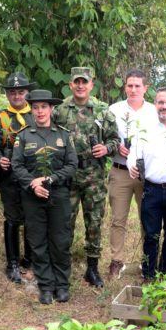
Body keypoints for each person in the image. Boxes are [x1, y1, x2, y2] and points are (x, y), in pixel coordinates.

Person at [53, 67, 119, 287]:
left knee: (94, 222)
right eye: (76, 82)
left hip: (93, 175)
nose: (80, 86)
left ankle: (92, 268)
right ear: (70, 85)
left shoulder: (102, 111)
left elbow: (116, 140)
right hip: (68, 175)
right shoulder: (60, 110)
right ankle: (63, 267)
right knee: (64, 222)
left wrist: (106, 148)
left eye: (85, 82)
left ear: (92, 85)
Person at [12, 89, 78, 304]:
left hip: (57, 193)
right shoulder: (23, 135)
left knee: (60, 240)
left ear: (51, 109)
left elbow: (71, 165)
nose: (40, 111)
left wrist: (51, 179)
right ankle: (46, 286)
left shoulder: (63, 135)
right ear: (32, 109)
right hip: (32, 196)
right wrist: (33, 184)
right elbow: (17, 165)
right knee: (38, 241)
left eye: (44, 107)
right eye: (36, 107)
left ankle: (62, 285)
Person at [127, 87, 166, 281]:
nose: (164, 106)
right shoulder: (145, 127)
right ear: (155, 105)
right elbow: (133, 153)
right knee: (151, 235)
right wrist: (131, 166)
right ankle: (148, 274)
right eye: (160, 102)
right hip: (152, 189)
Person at [106, 69, 157, 279]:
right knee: (118, 219)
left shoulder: (155, 111)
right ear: (124, 87)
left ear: (146, 88)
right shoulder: (114, 110)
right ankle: (117, 261)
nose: (133, 89)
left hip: (146, 173)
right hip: (121, 172)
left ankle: (148, 262)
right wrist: (115, 146)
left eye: (138, 86)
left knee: (148, 220)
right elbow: (105, 136)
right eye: (130, 85)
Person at [0, 72, 36, 284]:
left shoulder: (35, 115)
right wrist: (0, 159)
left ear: (27, 92)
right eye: (12, 92)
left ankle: (29, 258)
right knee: (12, 218)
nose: (17, 96)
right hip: (9, 176)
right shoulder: (1, 118)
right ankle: (13, 263)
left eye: (21, 92)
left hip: (30, 175)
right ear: (7, 95)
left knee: (30, 215)